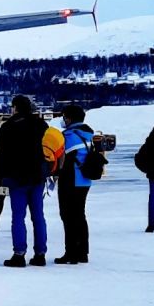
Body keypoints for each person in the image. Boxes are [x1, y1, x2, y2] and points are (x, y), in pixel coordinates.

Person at [0, 93, 50, 267]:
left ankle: (19, 253)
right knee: (38, 216)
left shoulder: (8, 127)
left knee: (18, 216)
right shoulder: (41, 124)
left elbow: (0, 154)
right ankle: (40, 253)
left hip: (16, 176)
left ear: (15, 107)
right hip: (37, 175)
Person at [56, 103, 96, 264]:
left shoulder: (69, 136)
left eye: (64, 117)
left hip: (70, 180)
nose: (63, 120)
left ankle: (71, 252)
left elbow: (60, 158)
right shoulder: (88, 134)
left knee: (67, 215)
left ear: (69, 118)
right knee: (79, 215)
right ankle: (83, 252)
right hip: (85, 180)